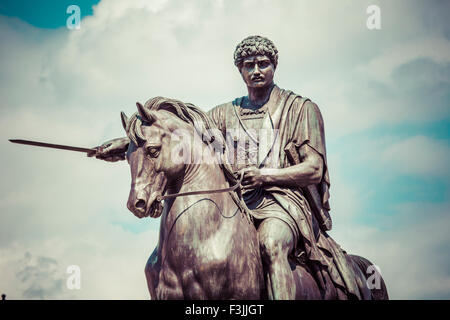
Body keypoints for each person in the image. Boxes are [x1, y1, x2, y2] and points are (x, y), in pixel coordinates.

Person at [90, 35, 365, 300]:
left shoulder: (301, 109)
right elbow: (175, 134)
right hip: (237, 201)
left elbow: (314, 170)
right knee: (160, 258)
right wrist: (128, 142)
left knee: (271, 244)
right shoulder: (223, 114)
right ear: (240, 70)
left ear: (274, 65)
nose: (256, 70)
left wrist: (264, 176)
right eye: (249, 65)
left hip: (281, 201)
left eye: (263, 63)